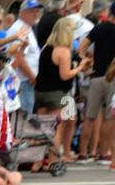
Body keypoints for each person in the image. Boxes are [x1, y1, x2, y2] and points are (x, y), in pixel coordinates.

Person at [37, 17, 90, 164]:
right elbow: (65, 75)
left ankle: (40, 160)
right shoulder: (64, 51)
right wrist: (81, 67)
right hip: (59, 93)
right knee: (57, 128)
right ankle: (53, 160)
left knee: (44, 128)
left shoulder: (45, 48)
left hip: (41, 91)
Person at [79, 1, 115, 161]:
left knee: (90, 117)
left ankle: (83, 153)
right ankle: (104, 154)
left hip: (95, 76)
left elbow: (81, 48)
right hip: (114, 78)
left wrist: (85, 65)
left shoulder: (99, 27)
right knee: (110, 118)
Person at [6, 0, 42, 127]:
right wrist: (33, 77)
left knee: (21, 121)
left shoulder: (25, 28)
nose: (36, 14)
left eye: (37, 11)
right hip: (23, 81)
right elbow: (19, 58)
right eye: (32, 11)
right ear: (23, 13)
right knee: (22, 122)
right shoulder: (21, 29)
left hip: (23, 80)